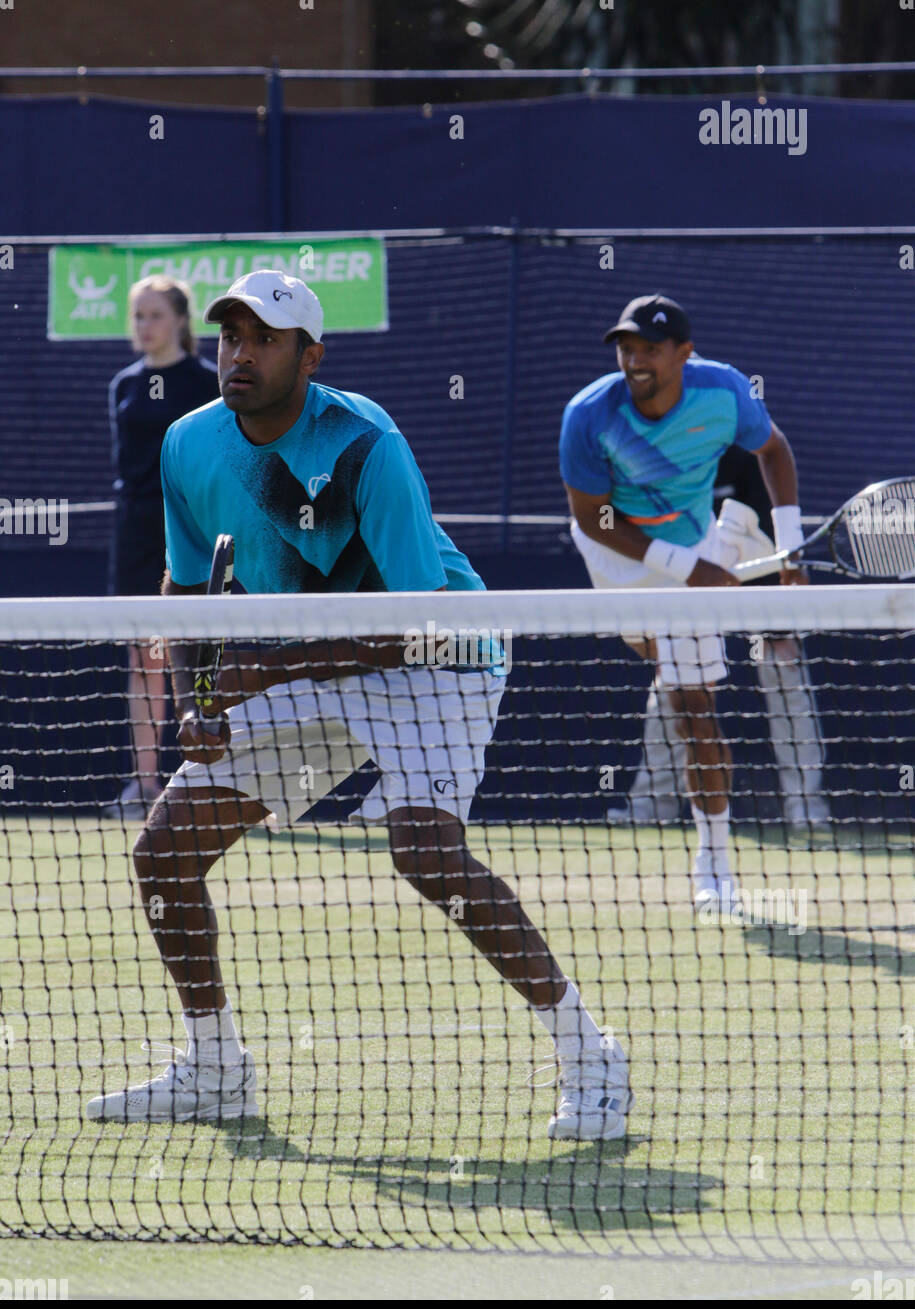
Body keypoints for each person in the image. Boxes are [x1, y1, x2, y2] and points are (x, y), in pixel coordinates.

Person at [87, 271, 633, 1142]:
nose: (241, 354)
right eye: (231, 336)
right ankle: (214, 1069)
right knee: (163, 853)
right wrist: (197, 700)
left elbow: (417, 625)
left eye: (264, 340)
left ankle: (589, 1052)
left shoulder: (365, 443)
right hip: (299, 663)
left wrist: (260, 674)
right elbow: (186, 591)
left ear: (310, 356)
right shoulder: (188, 443)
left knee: (423, 851)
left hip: (436, 654)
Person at [560, 293, 807, 914]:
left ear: (683, 354)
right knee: (650, 650)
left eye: (650, 348)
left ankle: (714, 864)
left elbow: (772, 449)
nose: (635, 359)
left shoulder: (723, 393)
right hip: (615, 553)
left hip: (691, 539)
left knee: (693, 704)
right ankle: (666, 624)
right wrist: (685, 568)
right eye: (626, 347)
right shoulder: (590, 414)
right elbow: (593, 519)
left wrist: (792, 548)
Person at [609, 443, 829, 827]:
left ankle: (805, 808)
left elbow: (766, 533)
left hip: (756, 580)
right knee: (670, 683)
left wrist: (775, 619)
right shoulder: (663, 460)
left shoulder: (747, 458)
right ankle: (648, 809)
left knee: (783, 663)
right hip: (690, 584)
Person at [102, 277, 218, 820]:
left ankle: (214, 778)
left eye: (154, 314)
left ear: (179, 320)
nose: (144, 325)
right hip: (135, 535)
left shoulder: (205, 382)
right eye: (137, 315)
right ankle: (144, 785)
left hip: (191, 532)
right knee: (144, 659)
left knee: (203, 655)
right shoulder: (124, 384)